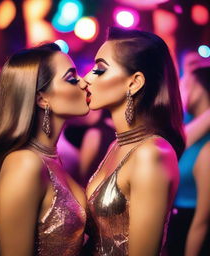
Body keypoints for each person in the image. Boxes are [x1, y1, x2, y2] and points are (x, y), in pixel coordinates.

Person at [82, 27, 185, 255]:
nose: (86, 79)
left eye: (99, 69)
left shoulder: (152, 153)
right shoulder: (116, 145)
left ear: (134, 82)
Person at [0, 43, 89, 256]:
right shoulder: (25, 163)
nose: (85, 83)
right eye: (71, 78)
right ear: (42, 98)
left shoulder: (50, 158)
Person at [167, 66, 210, 256]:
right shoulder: (187, 124)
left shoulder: (206, 145)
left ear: (199, 90)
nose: (180, 89)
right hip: (174, 221)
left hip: (191, 224)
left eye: (185, 84)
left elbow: (203, 221)